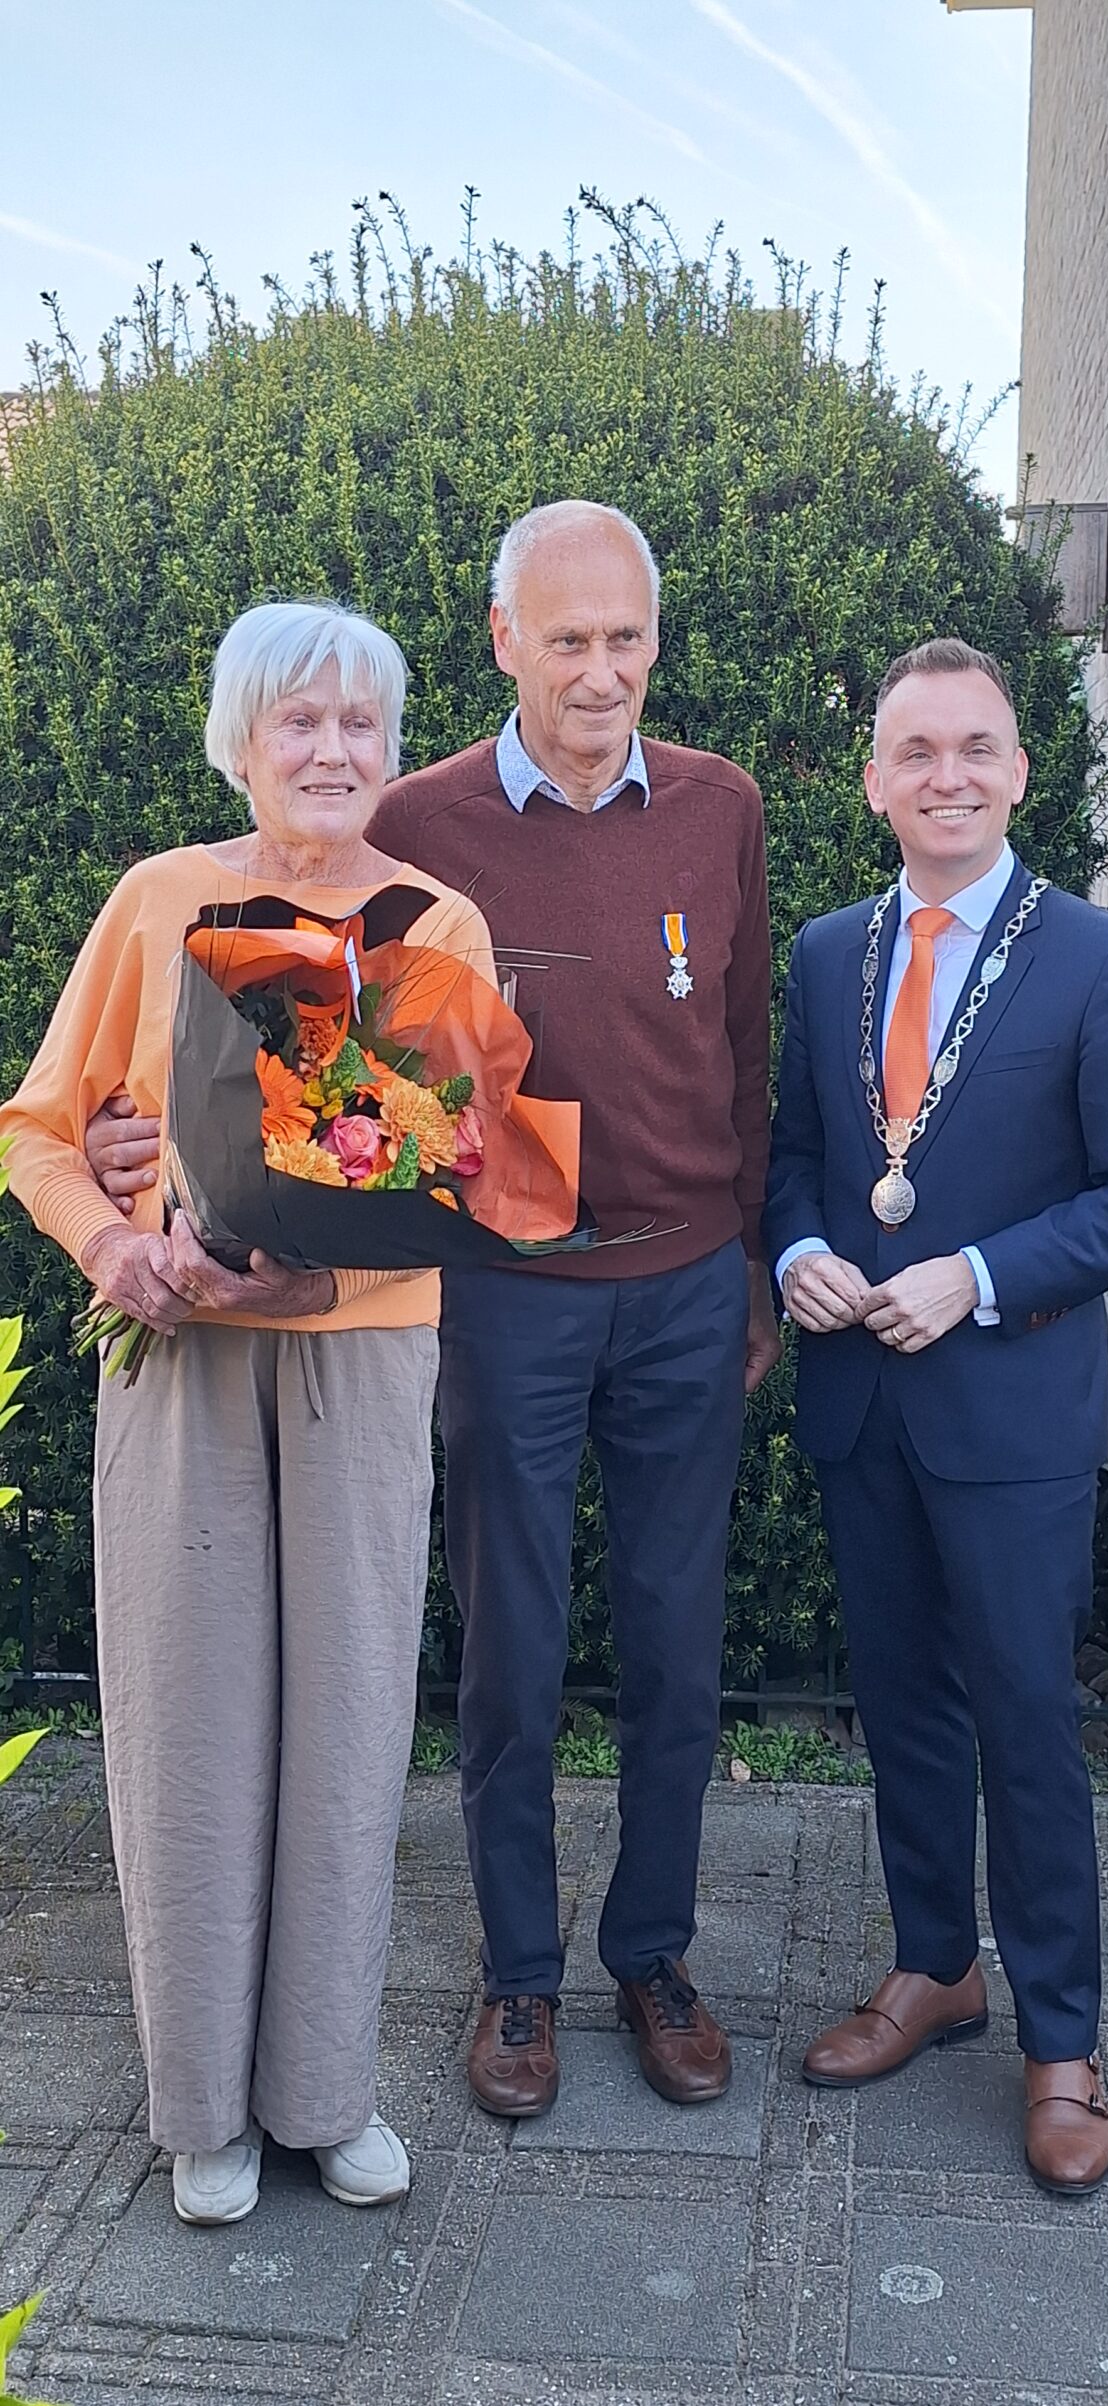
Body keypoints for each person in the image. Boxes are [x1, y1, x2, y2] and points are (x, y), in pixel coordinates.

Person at [92, 501, 781, 2117]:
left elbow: (747, 1045)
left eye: (624, 639)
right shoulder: (406, 821)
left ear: (653, 644)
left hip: (685, 1284)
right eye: (567, 640)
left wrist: (750, 1252)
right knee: (510, 1654)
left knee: (678, 1654)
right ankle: (520, 1979)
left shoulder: (720, 806)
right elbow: (292, 1068)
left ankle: (654, 1956)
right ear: (502, 642)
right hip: (502, 1298)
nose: (598, 671)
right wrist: (137, 1133)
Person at [1, 598, 492, 2224]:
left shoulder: (440, 919)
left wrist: (310, 1286)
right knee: (189, 1722)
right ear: (242, 739)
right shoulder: (161, 902)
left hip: (359, 1356)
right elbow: (42, 1130)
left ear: (394, 743)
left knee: (349, 1715)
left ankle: (322, 2093)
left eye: (361, 721)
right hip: (178, 1355)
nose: (334, 749)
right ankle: (203, 2102)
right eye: (300, 721)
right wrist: (114, 1241)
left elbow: (444, 1182)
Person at [765, 634, 1108, 2194]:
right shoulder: (823, 955)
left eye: (975, 749)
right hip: (865, 1400)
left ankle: (1061, 2041)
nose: (945, 776)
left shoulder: (1100, 960)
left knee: (1025, 1722)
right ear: (873, 778)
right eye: (914, 751)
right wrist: (799, 1250)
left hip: (1006, 1408)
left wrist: (978, 1276)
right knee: (907, 1712)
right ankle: (935, 1967)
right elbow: (797, 1157)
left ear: (1019, 770)